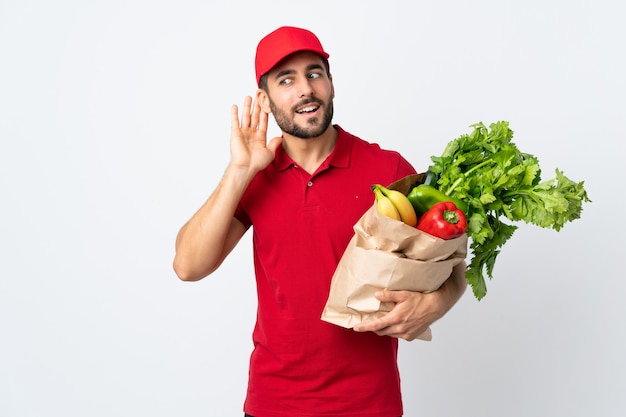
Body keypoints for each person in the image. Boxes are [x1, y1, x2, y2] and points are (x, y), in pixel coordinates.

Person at [173, 26, 467, 417]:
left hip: (369, 404)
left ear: (330, 83)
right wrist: (239, 170)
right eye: (286, 80)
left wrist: (435, 304)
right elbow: (188, 266)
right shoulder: (254, 177)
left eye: (314, 74)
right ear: (265, 99)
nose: (304, 90)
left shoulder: (390, 170)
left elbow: (452, 268)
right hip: (273, 403)